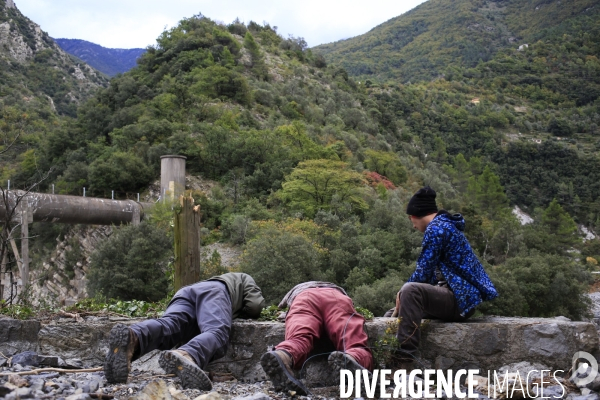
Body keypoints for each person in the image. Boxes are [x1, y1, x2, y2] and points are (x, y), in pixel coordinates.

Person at [391, 186, 498, 365]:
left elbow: (423, 272)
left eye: (411, 218)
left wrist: (402, 293)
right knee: (398, 311)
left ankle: (403, 360)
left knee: (410, 291)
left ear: (416, 214)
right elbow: (432, 275)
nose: (412, 224)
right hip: (457, 300)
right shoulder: (445, 226)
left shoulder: (436, 230)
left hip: (458, 301)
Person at [104, 272, 265, 390]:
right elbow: (255, 305)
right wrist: (238, 313)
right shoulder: (244, 277)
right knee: (217, 331)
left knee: (169, 325)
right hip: (214, 293)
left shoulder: (209, 280)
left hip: (185, 293)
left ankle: (134, 336)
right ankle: (187, 355)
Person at [260, 282, 374, 395]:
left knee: (299, 339)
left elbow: (281, 308)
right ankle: (352, 357)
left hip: (304, 298)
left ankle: (283, 355)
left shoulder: (295, 291)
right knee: (353, 341)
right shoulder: (336, 288)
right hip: (336, 297)